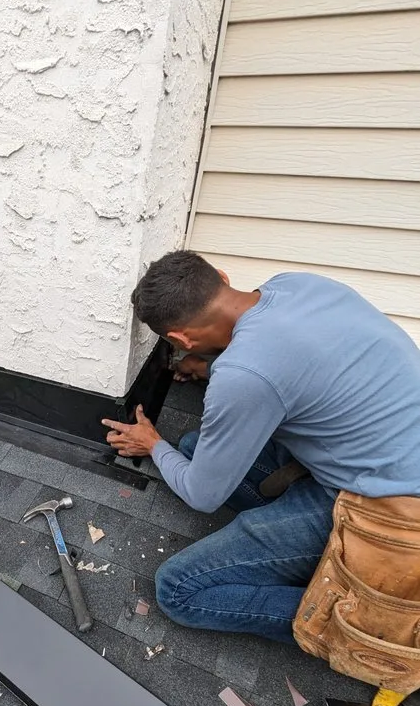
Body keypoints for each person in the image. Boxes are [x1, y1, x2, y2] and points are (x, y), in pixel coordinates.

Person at [102, 251, 420, 643]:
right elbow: (284, 362)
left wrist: (152, 444)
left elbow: (203, 495)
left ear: (181, 340)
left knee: (178, 590)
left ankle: (358, 621)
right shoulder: (297, 284)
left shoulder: (244, 376)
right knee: (191, 447)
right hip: (386, 458)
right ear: (221, 276)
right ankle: (301, 551)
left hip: (386, 516)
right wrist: (212, 366)